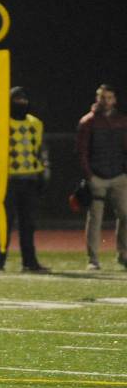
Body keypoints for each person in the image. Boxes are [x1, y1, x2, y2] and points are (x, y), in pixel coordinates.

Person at [0, 87, 50, 272]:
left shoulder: (35, 123)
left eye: (23, 99)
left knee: (28, 224)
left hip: (30, 180)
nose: (21, 103)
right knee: (4, 223)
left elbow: (41, 150)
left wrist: (44, 173)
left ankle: (29, 262)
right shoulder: (0, 124)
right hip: (7, 181)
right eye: (17, 99)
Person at [76, 84, 127, 270]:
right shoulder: (88, 121)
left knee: (125, 214)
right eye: (102, 97)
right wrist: (89, 175)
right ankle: (93, 259)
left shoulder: (122, 121)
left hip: (119, 176)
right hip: (97, 176)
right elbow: (81, 152)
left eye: (109, 97)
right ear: (97, 98)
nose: (106, 101)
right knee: (95, 218)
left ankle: (124, 254)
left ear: (114, 100)